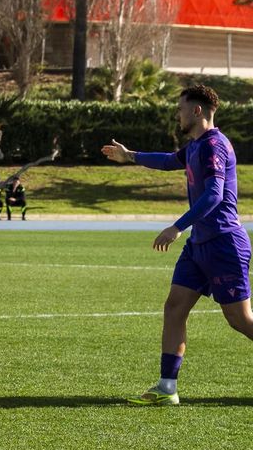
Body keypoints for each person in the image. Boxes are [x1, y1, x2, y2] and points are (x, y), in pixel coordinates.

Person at [102, 85, 253, 404]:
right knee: (175, 307)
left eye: (181, 108)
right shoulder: (195, 146)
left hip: (224, 243)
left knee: (239, 320)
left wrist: (177, 227)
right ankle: (167, 387)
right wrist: (130, 156)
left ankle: (168, 386)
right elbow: (171, 160)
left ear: (197, 111)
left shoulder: (214, 145)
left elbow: (214, 195)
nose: (177, 113)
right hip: (200, 245)